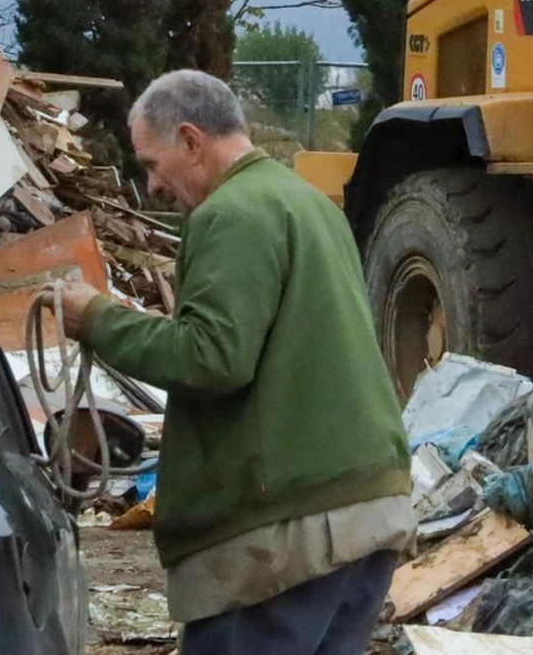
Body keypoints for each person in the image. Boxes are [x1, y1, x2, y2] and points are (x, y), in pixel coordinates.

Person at [58, 70, 414, 655]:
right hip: (364, 512)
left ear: (192, 140)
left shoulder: (231, 215)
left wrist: (96, 319)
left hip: (288, 532)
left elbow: (213, 358)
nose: (151, 187)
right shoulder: (306, 203)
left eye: (151, 163)